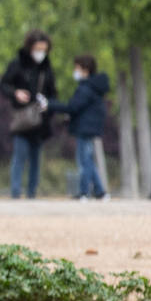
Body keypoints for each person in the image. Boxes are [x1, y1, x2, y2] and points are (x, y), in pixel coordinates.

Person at [0, 29, 57, 199]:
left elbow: (53, 92)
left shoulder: (47, 69)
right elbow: (3, 85)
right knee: (20, 155)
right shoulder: (17, 64)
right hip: (22, 118)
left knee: (36, 158)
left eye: (44, 50)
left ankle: (32, 193)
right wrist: (15, 93)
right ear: (30, 47)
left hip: (40, 120)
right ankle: (16, 192)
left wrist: (48, 104)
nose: (41, 53)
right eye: (38, 49)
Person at [45, 54, 110, 200]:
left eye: (77, 68)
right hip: (90, 127)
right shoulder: (94, 88)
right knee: (88, 160)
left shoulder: (86, 88)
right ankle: (100, 192)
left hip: (85, 129)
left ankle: (84, 192)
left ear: (85, 70)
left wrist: (50, 104)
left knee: (84, 160)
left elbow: (72, 107)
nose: (75, 71)